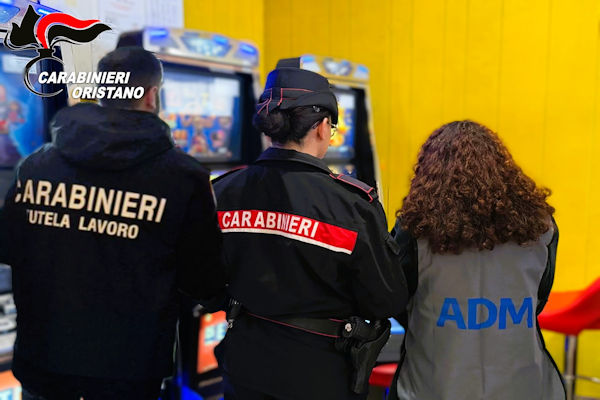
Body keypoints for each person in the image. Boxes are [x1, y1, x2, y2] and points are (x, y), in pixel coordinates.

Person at [0, 47, 225, 400]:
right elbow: (203, 280)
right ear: (151, 95)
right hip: (129, 369)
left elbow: (9, 247)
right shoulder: (183, 177)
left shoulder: (37, 165)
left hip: (43, 359)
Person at [212, 58, 409, 400]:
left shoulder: (222, 191)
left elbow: (201, 284)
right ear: (321, 127)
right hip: (321, 367)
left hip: (245, 360)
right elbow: (385, 299)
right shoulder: (352, 204)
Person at [389, 120, 565, 400]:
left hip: (435, 386)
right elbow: (539, 298)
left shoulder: (415, 230)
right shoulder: (541, 227)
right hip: (524, 386)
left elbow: (395, 297)